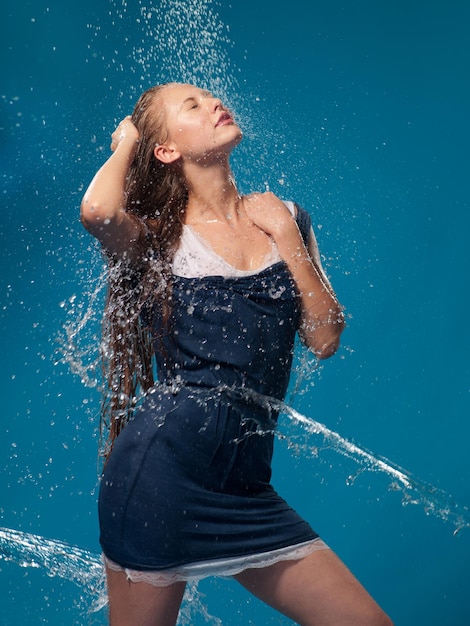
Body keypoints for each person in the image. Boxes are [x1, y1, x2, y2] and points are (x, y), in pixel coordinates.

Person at [81, 82, 393, 626]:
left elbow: (325, 337)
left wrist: (288, 241)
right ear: (166, 150)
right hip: (161, 475)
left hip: (245, 483)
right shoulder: (157, 240)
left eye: (210, 96)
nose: (213, 104)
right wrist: (125, 143)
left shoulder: (286, 217)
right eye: (192, 106)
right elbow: (97, 211)